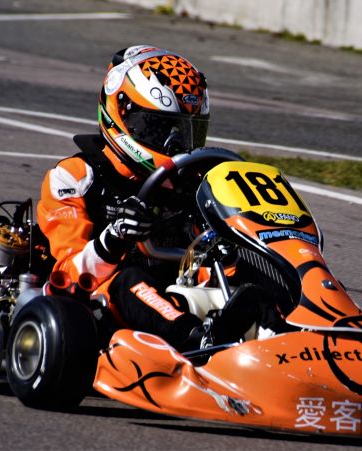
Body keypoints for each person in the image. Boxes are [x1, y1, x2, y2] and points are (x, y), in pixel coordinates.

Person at [37, 45, 259, 351]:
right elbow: (68, 277)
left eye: (187, 131)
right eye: (162, 129)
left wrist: (232, 256)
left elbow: (204, 262)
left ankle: (315, 328)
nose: (176, 144)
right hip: (103, 309)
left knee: (257, 280)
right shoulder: (76, 177)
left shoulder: (191, 185)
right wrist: (113, 238)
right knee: (130, 279)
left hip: (179, 293)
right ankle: (199, 340)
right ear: (123, 113)